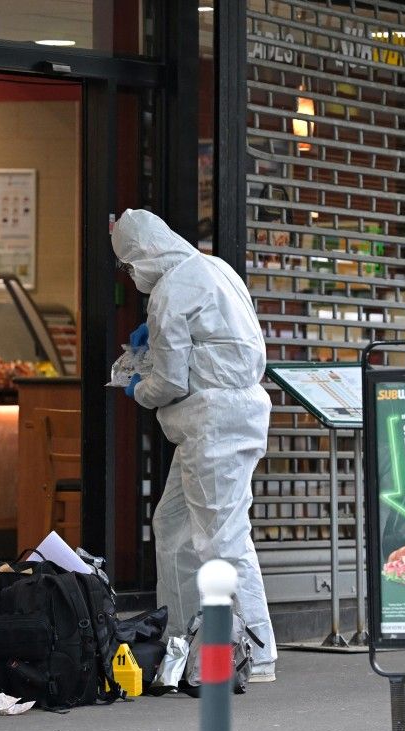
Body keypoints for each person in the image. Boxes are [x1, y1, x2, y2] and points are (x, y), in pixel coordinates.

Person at [112, 207, 278, 682]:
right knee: (173, 524)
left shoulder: (169, 291)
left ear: (142, 254)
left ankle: (256, 651)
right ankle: (179, 638)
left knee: (223, 536)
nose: (131, 275)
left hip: (212, 424)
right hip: (227, 417)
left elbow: (167, 381)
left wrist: (136, 387)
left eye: (128, 265)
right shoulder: (214, 267)